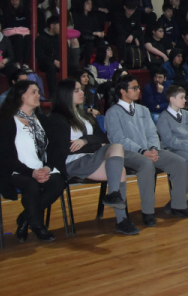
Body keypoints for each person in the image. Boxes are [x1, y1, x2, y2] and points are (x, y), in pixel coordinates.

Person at [45, 78, 140, 235]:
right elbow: (66, 149)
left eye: (81, 89)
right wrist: (95, 145)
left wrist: (85, 140)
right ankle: (120, 215)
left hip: (92, 156)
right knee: (119, 164)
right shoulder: (56, 118)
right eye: (77, 90)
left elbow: (103, 139)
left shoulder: (85, 115)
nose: (82, 92)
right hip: (73, 162)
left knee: (118, 160)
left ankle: (119, 210)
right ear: (65, 93)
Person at [104, 73, 188, 226]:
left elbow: (152, 133)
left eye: (138, 87)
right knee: (146, 165)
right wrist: (142, 151)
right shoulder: (113, 112)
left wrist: (153, 148)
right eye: (134, 88)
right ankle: (148, 212)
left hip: (149, 151)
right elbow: (118, 139)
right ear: (122, 91)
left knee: (180, 162)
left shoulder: (143, 110)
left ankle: (178, 205)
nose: (138, 90)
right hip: (127, 153)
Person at [0, 80, 65, 242]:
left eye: (38, 92)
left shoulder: (41, 120)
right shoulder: (6, 122)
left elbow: (56, 147)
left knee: (58, 182)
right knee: (31, 184)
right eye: (34, 92)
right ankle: (37, 226)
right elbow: (5, 158)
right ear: (22, 96)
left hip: (40, 169)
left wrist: (48, 168)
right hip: (13, 170)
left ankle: (25, 219)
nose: (38, 96)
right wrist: (32, 173)